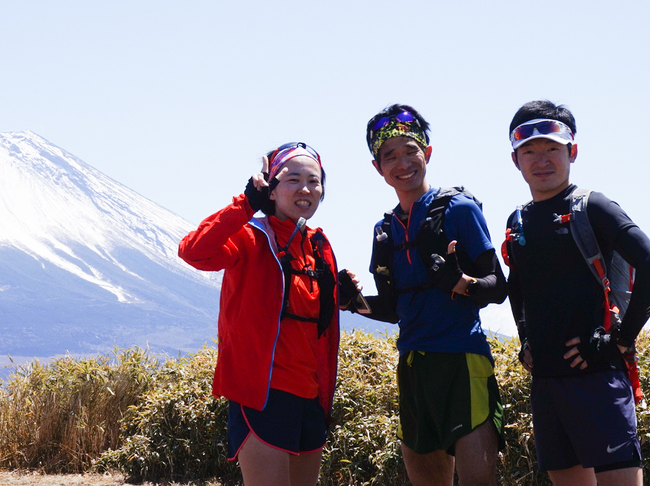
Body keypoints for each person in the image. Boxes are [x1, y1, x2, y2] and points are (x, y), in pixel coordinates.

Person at [503, 100, 650, 486]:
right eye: (530, 151)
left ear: (572, 151)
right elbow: (518, 287)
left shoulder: (594, 207)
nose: (542, 160)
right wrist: (525, 341)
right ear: (516, 160)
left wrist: (618, 341)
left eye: (552, 149)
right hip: (548, 385)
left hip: (598, 380)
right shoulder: (518, 219)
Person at [179, 142, 354, 486]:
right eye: (292, 179)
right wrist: (245, 204)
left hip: (310, 398)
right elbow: (194, 252)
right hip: (263, 396)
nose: (305, 189)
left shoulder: (318, 246)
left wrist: (341, 295)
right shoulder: (249, 235)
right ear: (271, 188)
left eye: (314, 181)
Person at [356, 104, 507, 486]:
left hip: (461, 359)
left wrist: (462, 284)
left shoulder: (458, 208)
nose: (403, 163)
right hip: (413, 365)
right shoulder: (384, 229)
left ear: (428, 154)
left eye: (411, 151)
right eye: (390, 156)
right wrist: (349, 303)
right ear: (378, 167)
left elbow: (498, 287)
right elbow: (392, 310)